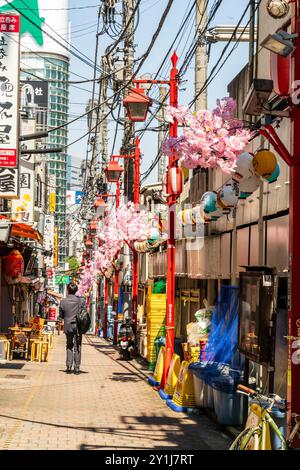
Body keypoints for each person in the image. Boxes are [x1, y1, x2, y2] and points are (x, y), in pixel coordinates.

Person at [58, 282, 87, 375]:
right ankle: (77, 368)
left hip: (68, 326)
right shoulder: (81, 301)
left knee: (69, 345)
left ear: (67, 290)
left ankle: (68, 366)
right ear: (76, 291)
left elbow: (61, 316)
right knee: (77, 346)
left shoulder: (63, 301)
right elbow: (84, 313)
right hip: (78, 326)